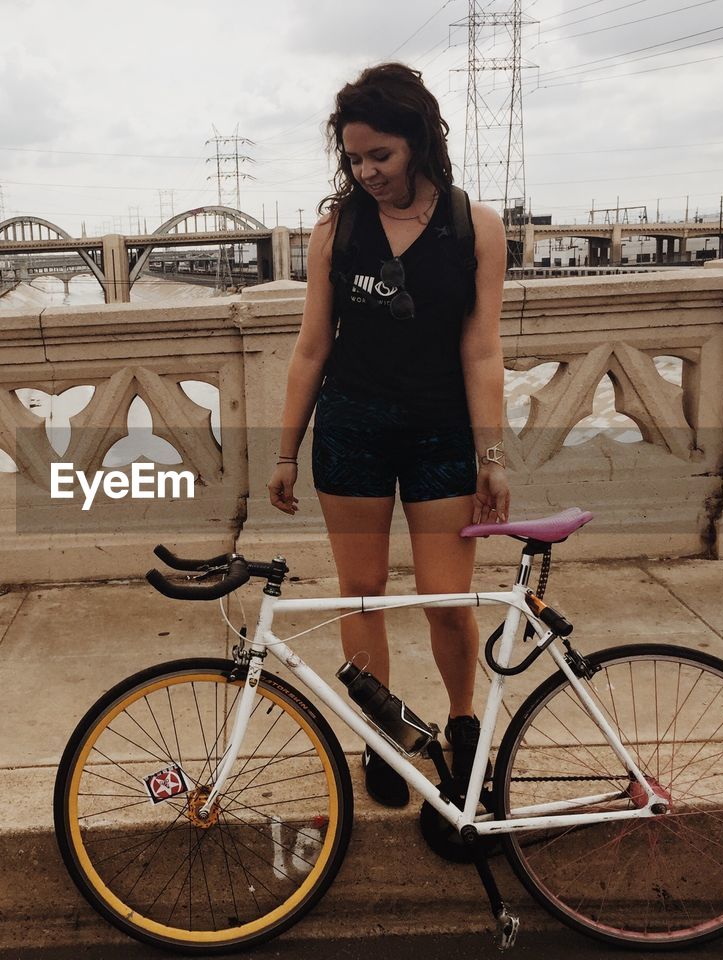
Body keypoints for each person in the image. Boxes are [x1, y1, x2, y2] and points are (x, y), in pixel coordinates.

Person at [267, 62, 510, 808]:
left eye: (382, 155)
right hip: (354, 429)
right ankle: (382, 732)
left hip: (440, 433)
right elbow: (313, 346)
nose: (366, 171)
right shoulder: (335, 232)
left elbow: (482, 348)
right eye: (354, 157)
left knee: (445, 597)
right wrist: (284, 450)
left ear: (419, 141)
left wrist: (491, 454)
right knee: (364, 593)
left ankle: (463, 727)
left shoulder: (474, 226)